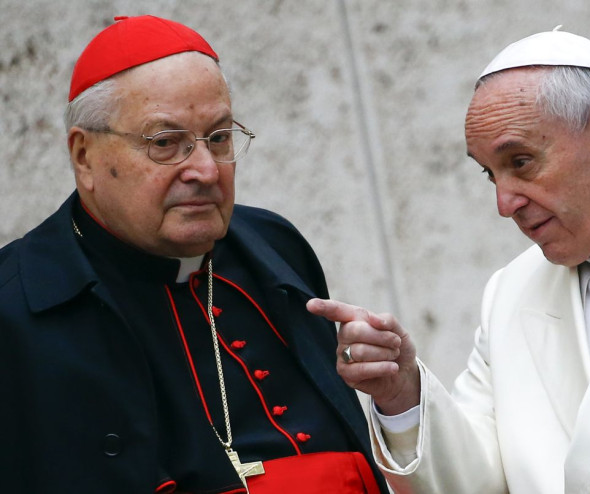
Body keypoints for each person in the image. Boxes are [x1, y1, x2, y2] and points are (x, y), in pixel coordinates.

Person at [307, 27, 590, 493]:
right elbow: (475, 482)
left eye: (521, 161)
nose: (504, 203)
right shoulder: (510, 292)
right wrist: (402, 393)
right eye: (489, 174)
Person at [0, 15, 388, 494]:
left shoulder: (274, 241)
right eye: (166, 143)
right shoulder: (15, 307)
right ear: (85, 157)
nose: (205, 169)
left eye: (220, 137)